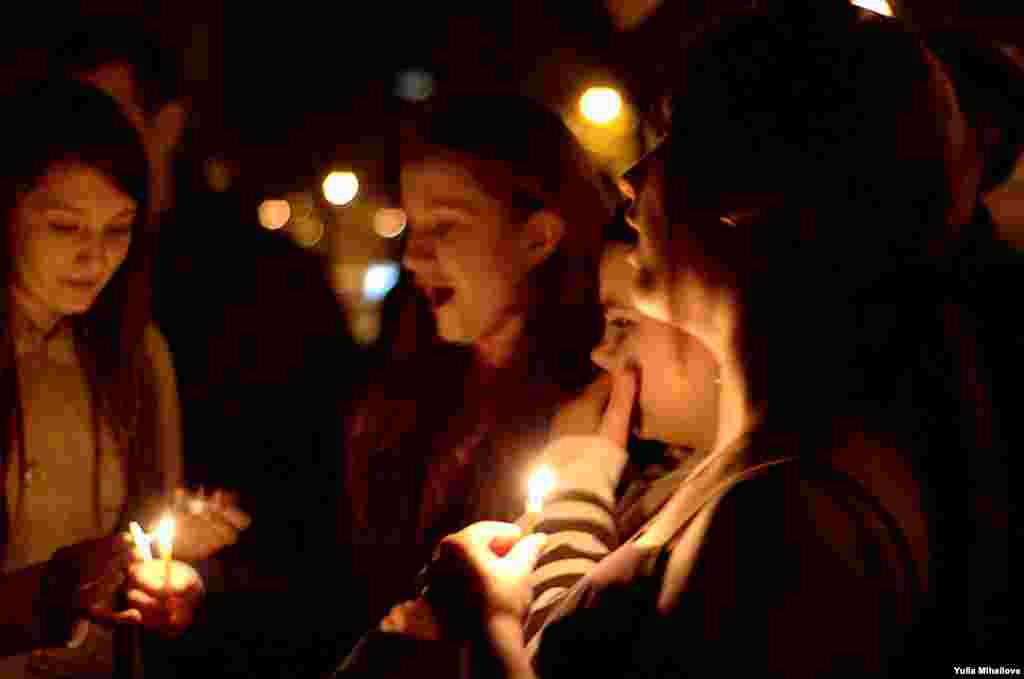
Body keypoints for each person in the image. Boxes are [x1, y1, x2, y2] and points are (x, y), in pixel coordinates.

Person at [414, 4, 999, 677]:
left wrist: (483, 630)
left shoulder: (784, 527)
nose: (631, 181)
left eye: (671, 139)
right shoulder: (767, 472)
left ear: (750, 193)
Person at [341, 94, 613, 657]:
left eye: (445, 227)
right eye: (411, 227)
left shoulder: (592, 415)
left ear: (538, 237)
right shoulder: (409, 388)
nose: (413, 256)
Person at [0, 78, 210, 678]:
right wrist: (53, 592)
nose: (95, 257)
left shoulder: (137, 354)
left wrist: (168, 584)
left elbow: (149, 529)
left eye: (117, 228)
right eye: (64, 228)